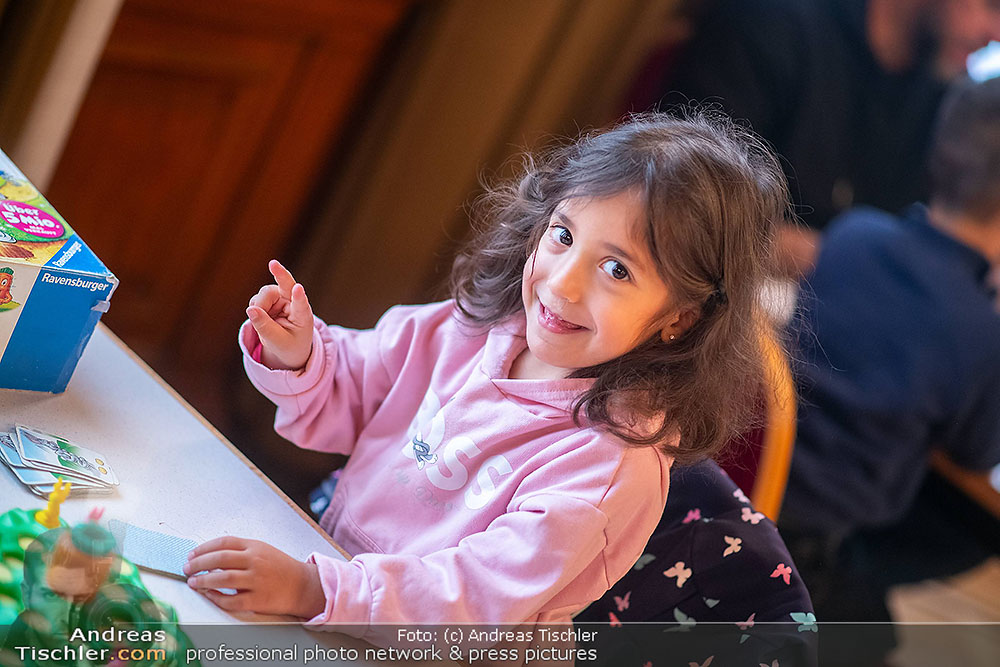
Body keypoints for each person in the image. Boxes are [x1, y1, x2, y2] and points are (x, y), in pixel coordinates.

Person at [182, 112, 789, 642]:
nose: (562, 283)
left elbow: (470, 598)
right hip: (332, 575)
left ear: (680, 319)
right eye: (563, 235)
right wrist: (301, 355)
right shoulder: (474, 328)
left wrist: (313, 590)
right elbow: (356, 386)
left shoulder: (608, 464)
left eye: (616, 270)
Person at [780, 76, 1000, 632]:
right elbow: (977, 453)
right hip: (807, 547)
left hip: (749, 476)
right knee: (969, 536)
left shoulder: (855, 234)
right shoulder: (982, 331)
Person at [658, 0, 1000, 274]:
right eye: (992, 5)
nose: (996, 34)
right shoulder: (772, 20)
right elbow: (683, 209)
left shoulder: (944, 100)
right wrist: (858, 266)